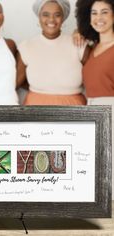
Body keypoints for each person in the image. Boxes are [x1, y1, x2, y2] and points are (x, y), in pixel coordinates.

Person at [76, 0, 114, 198]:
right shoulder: (93, 48)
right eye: (94, 13)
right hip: (92, 109)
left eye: (105, 12)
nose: (98, 18)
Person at [17, 0, 87, 105]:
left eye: (57, 15)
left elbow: (95, 76)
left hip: (73, 110)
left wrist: (82, 32)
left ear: (63, 17)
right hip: (36, 109)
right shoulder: (26, 46)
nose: (51, 19)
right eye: (45, 15)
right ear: (39, 17)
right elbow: (17, 81)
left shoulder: (79, 44)